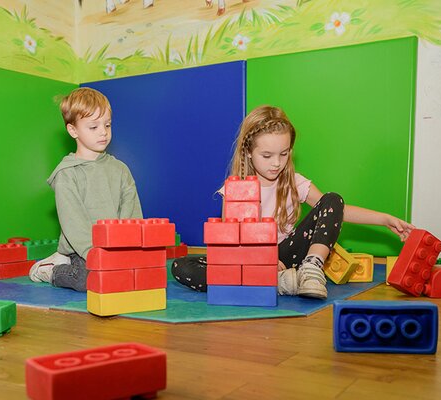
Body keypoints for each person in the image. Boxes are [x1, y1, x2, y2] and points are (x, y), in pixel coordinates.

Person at [172, 105, 414, 299]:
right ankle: (279, 283)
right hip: (250, 260)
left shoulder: (294, 183)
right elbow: (231, 242)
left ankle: (312, 267)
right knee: (181, 266)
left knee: (332, 198)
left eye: (284, 153)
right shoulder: (234, 190)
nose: (276, 163)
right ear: (248, 152)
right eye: (267, 156)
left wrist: (384, 219)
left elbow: (335, 209)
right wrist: (262, 260)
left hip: (287, 256)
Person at [29, 87, 143, 291]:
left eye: (107, 125)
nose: (103, 132)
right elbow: (73, 221)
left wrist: (131, 245)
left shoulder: (120, 169)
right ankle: (52, 269)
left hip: (115, 246)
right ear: (73, 130)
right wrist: (93, 253)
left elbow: (131, 211)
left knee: (135, 276)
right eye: (93, 127)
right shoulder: (68, 173)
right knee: (89, 280)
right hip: (82, 248)